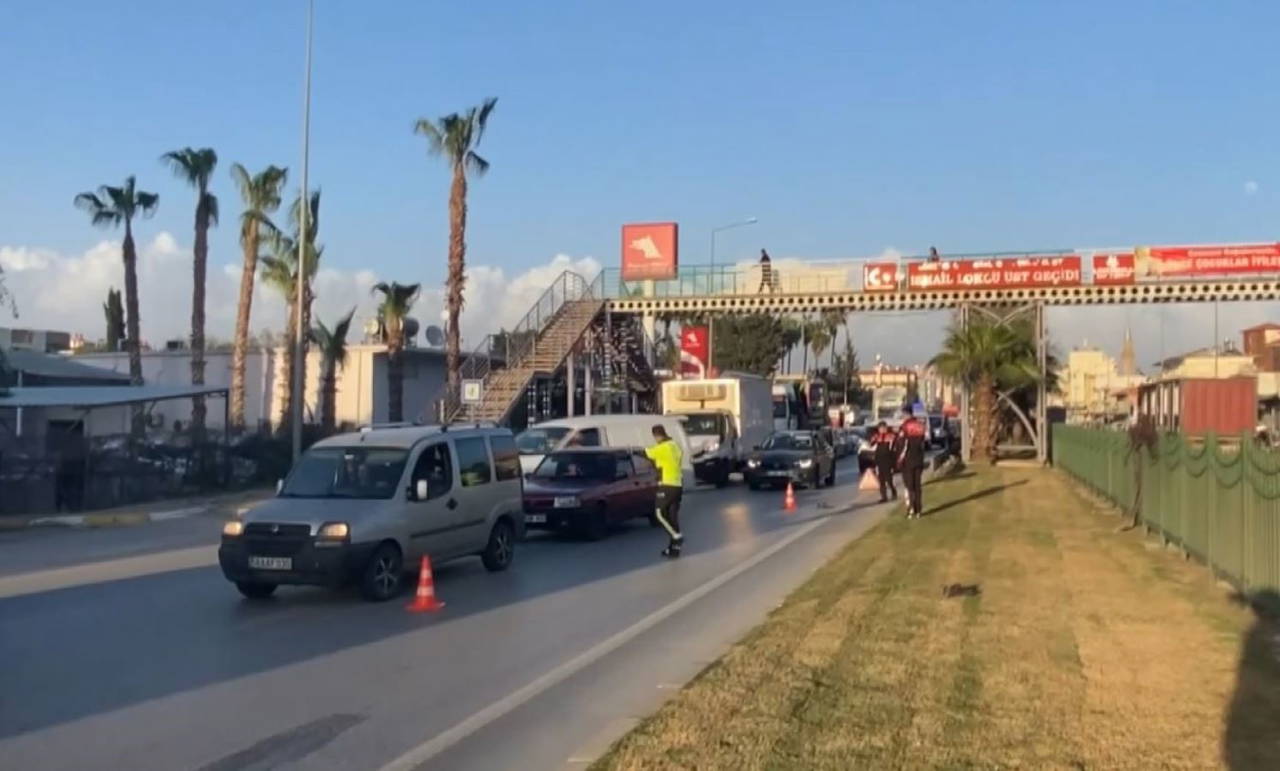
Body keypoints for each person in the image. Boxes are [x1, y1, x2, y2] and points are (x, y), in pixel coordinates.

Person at [645, 424, 685, 558]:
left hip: (667, 484)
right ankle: (674, 549)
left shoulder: (662, 448)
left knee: (659, 514)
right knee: (672, 517)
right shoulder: (675, 446)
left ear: (656, 436)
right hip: (678, 484)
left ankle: (676, 536)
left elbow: (647, 453)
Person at [896, 406, 928, 518]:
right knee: (917, 486)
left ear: (906, 414)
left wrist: (899, 460)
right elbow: (923, 442)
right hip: (919, 459)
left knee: (909, 486)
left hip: (908, 460)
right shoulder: (920, 425)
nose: (902, 416)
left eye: (903, 414)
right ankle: (919, 510)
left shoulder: (904, 426)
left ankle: (911, 509)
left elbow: (902, 445)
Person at [872, 421, 898, 503]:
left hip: (888, 460)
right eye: (880, 428)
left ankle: (893, 492)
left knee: (889, 479)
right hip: (879, 460)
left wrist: (893, 462)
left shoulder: (891, 436)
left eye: (883, 428)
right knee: (881, 480)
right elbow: (872, 445)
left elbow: (893, 449)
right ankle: (884, 497)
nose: (882, 430)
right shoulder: (877, 437)